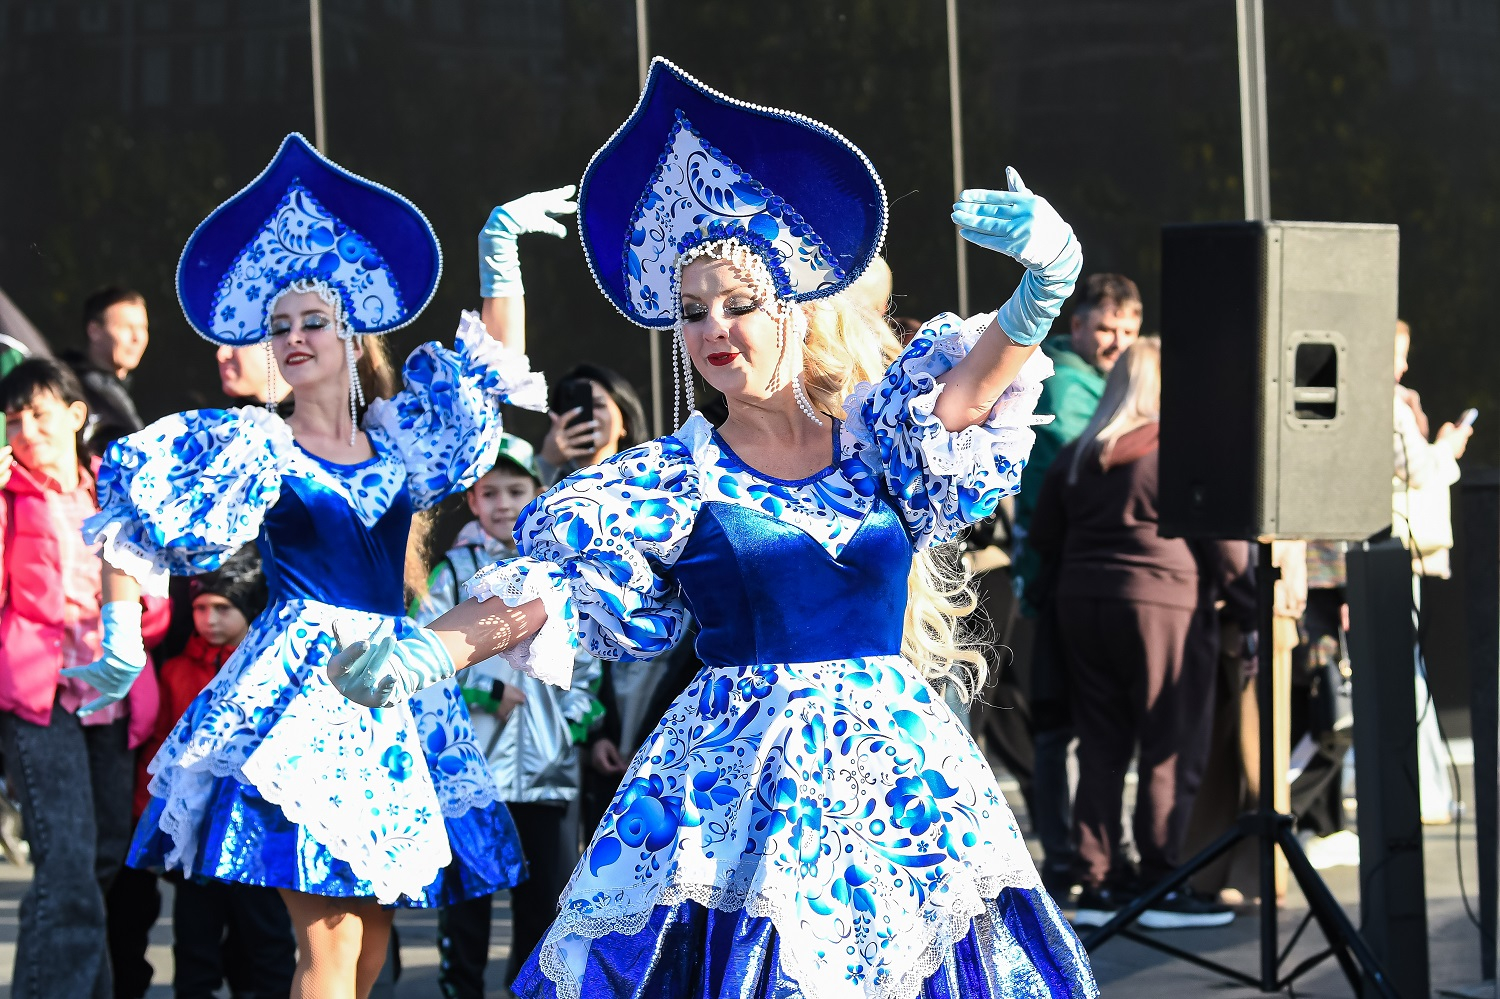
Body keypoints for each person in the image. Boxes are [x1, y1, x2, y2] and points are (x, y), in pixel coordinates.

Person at [329, 59, 1096, 998]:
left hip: (903, 786)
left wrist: (1048, 280)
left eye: (738, 304)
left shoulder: (880, 438)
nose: (712, 328)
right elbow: (550, 589)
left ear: (794, 308)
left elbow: (974, 390)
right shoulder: (673, 477)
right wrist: (430, 651)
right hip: (742, 792)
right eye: (691, 312)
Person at [64, 134, 570, 999]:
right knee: (329, 950)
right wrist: (118, 633)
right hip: (302, 698)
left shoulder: (400, 442)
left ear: (350, 330)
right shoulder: (260, 442)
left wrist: (500, 257)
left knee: (368, 949)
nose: (294, 338)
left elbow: (490, 385)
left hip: (393, 691)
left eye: (311, 322)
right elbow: (136, 510)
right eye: (279, 327)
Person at [1028, 338, 1233, 929]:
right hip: (1163, 605)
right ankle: (1162, 880)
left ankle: (1098, 879)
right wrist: (1241, 601)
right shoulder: (1176, 452)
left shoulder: (1077, 456)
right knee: (1170, 744)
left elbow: (1043, 538)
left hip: (1081, 606)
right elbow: (1223, 544)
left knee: (1101, 745)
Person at [411, 434, 604, 996]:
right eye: (489, 493)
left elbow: (590, 662)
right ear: (473, 502)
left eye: (515, 491)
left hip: (548, 774)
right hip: (471, 775)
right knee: (467, 913)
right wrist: (483, 693)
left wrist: (567, 728)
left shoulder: (565, 571)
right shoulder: (452, 571)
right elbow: (423, 656)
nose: (502, 505)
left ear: (538, 493)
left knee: (544, 913)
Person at [0, 358, 167, 998]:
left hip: (113, 694)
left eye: (37, 414)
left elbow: (154, 589)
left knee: (99, 859)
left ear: (76, 416)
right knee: (68, 865)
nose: (25, 431)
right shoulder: (7, 494)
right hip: (39, 698)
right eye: (13, 419)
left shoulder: (113, 488)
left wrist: (145, 613)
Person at [1012, 273, 1143, 900]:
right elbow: (1095, 468)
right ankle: (1071, 858)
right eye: (1106, 328)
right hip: (1060, 572)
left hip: (1067, 572)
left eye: (1128, 329)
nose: (1117, 340)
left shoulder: (1095, 382)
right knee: (1063, 726)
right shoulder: (1068, 385)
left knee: (1067, 724)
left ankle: (1083, 855)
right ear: (1078, 325)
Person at [149, 545, 297, 998]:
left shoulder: (274, 672)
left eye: (222, 608)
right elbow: (158, 753)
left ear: (249, 608)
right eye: (200, 608)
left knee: (266, 942)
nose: (209, 619)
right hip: (195, 835)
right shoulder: (175, 671)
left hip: (257, 834)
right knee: (195, 944)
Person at [1392, 319, 1471, 824]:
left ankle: (1427, 791)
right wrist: (1447, 449)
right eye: (1396, 354)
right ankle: (1422, 793)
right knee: (1405, 674)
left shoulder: (1397, 402)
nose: (1402, 366)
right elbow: (1418, 471)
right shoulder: (1387, 405)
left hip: (1400, 551)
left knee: (1408, 670)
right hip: (1393, 550)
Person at [62, 287, 151, 448]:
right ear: (94, 331)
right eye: (127, 327)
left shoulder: (135, 391)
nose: (137, 338)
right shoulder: (65, 387)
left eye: (143, 328)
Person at [536, 363, 649, 488]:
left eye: (598, 405)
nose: (589, 414)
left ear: (625, 422)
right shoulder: (544, 475)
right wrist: (547, 463)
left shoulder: (646, 477)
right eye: (577, 406)